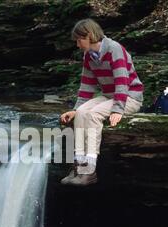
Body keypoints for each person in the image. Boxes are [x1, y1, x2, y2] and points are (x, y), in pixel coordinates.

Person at [60, 18, 144, 186]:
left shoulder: (114, 49)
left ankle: (89, 171)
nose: (77, 44)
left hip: (129, 97)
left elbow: (122, 82)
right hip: (109, 95)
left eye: (79, 39)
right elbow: (86, 87)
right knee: (82, 113)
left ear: (89, 35)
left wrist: (118, 110)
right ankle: (79, 166)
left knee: (92, 115)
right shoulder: (88, 56)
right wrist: (76, 110)